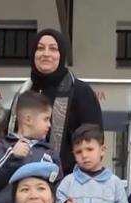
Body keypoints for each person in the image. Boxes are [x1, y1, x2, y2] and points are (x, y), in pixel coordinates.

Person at [6, 29, 103, 174]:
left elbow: (94, 141)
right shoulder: (23, 93)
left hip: (67, 181)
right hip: (23, 179)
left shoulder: (80, 92)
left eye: (53, 49)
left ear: (61, 54)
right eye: (40, 48)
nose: (46, 54)